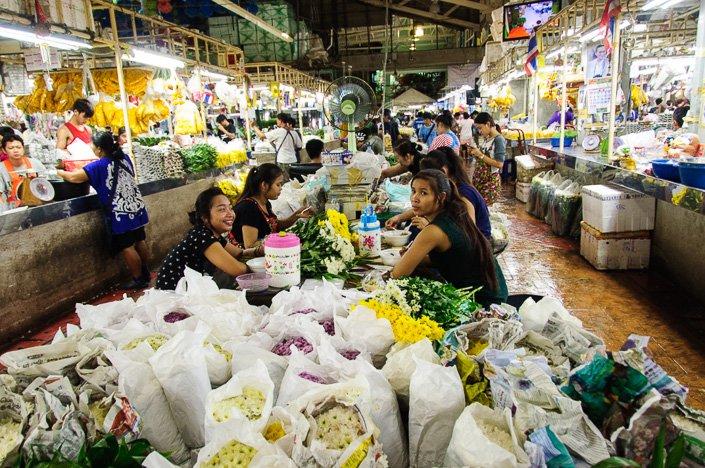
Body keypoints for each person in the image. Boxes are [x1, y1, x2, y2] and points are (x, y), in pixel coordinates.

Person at [390, 169, 508, 307]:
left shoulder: (434, 231)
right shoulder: (456, 213)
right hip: (496, 291)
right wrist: (421, 258)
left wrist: (407, 260)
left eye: (423, 193)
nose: (414, 198)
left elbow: (397, 274)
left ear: (441, 197)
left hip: (483, 302)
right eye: (413, 191)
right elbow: (456, 257)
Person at [57, 132, 150, 289]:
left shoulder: (98, 165)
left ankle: (138, 278)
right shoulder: (124, 158)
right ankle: (146, 273)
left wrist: (59, 171)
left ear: (99, 149)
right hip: (136, 206)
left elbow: (73, 178)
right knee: (140, 240)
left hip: (121, 211)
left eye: (93, 146)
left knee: (127, 246)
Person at [156, 187, 261, 290]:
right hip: (173, 294)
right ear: (204, 217)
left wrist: (259, 251)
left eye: (230, 207)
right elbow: (238, 270)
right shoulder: (202, 236)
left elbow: (239, 253)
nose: (230, 214)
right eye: (222, 209)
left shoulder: (211, 233)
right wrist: (263, 266)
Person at [232, 163, 311, 248]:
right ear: (264, 185)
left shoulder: (265, 203)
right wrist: (281, 242)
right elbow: (250, 246)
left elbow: (274, 226)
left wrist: (297, 215)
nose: (281, 188)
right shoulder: (249, 208)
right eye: (278, 184)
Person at [421, 147, 491, 239]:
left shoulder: (463, 195)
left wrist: (430, 226)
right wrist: (400, 217)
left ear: (443, 172)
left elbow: (469, 236)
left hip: (478, 245)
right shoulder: (451, 188)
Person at [0, 135, 46, 209]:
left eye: (18, 147)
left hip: (38, 206)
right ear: (4, 150)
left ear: (23, 148)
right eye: (11, 148)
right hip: (12, 209)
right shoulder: (1, 169)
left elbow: (47, 186)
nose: (16, 150)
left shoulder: (36, 163)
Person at [470, 112, 506, 205]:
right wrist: (476, 153)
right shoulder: (487, 138)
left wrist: (481, 155)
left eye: (480, 128)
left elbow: (499, 164)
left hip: (490, 183)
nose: (479, 131)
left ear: (488, 124)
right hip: (480, 180)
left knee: (484, 210)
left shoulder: (499, 140)